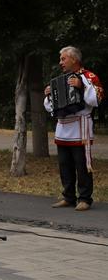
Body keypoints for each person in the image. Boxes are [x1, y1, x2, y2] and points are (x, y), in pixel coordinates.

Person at [44, 46, 103, 211]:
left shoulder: (89, 77)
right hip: (63, 128)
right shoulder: (60, 80)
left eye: (63, 59)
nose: (60, 62)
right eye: (61, 59)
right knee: (64, 165)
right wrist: (48, 95)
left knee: (82, 164)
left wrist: (81, 86)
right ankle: (68, 197)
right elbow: (51, 108)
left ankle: (84, 198)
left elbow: (96, 100)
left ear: (74, 59)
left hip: (79, 128)